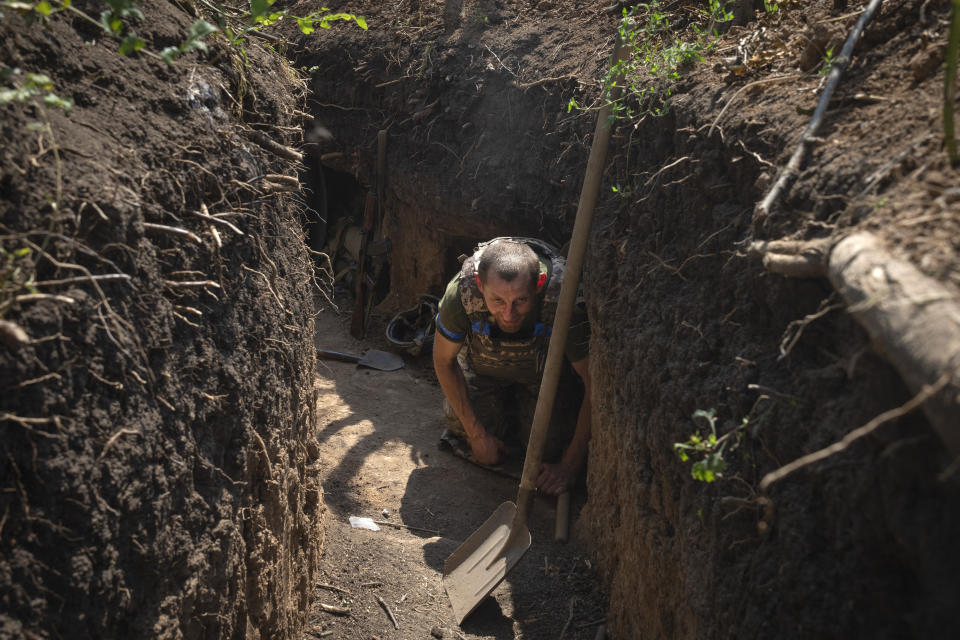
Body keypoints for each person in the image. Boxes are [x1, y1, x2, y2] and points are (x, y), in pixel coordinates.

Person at [432, 237, 591, 496]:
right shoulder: (462, 293)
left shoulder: (564, 299)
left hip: (544, 381)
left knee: (550, 448)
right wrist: (477, 435)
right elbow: (442, 360)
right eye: (498, 302)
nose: (508, 314)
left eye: (520, 301)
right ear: (481, 287)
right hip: (484, 373)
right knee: (461, 425)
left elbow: (594, 385)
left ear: (538, 285)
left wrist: (569, 466)